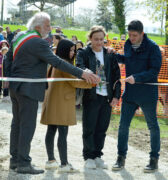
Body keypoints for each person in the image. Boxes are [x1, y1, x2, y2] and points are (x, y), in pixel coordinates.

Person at [4, 12, 100, 175]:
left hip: (15, 87)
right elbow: (57, 61)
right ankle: (24, 163)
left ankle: (15, 160)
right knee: (27, 125)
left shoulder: (19, 36)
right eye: (47, 25)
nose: (50, 28)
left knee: (17, 124)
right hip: (28, 89)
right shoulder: (38, 42)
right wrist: (82, 73)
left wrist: (8, 79)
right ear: (37, 27)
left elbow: (7, 59)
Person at [112, 20, 162, 173]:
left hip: (147, 94)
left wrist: (137, 77)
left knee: (152, 126)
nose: (131, 38)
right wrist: (114, 56)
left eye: (135, 35)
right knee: (123, 126)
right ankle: (121, 157)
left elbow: (154, 70)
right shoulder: (127, 44)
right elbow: (127, 60)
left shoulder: (153, 48)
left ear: (142, 34)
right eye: (130, 35)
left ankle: (154, 159)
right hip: (130, 93)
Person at [41, 39, 93, 173]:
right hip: (61, 103)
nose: (73, 52)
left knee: (51, 130)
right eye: (70, 50)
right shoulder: (63, 64)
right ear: (64, 50)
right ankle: (64, 164)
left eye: (74, 50)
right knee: (62, 133)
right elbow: (74, 82)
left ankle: (51, 161)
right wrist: (92, 83)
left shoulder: (55, 62)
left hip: (53, 101)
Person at [77, 26, 121, 169]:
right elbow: (79, 66)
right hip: (91, 95)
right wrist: (86, 71)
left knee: (102, 128)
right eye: (96, 39)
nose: (99, 42)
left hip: (106, 97)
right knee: (89, 127)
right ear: (90, 38)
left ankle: (97, 155)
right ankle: (88, 156)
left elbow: (116, 76)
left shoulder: (109, 54)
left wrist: (116, 96)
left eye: (101, 39)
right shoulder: (83, 52)